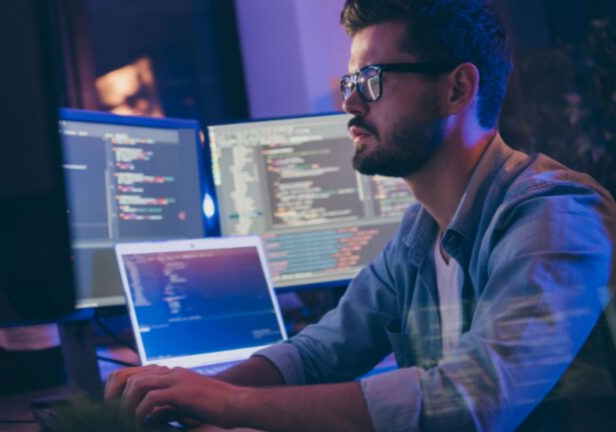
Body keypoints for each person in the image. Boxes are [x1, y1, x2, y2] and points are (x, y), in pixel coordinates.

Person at [104, 1, 616, 430]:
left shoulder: (555, 216)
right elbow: (319, 353)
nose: (349, 102)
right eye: (350, 80)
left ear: (457, 89)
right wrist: (187, 395)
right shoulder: (419, 235)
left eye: (371, 80)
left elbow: (473, 400)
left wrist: (230, 404)